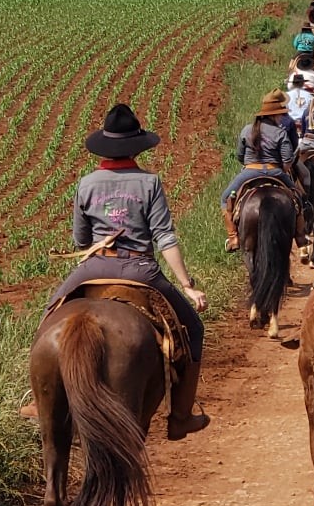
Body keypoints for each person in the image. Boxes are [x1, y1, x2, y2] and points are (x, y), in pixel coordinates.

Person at [46, 104, 211, 439]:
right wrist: (186, 284)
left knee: (50, 313)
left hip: (93, 267)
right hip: (139, 269)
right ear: (137, 147)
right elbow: (164, 236)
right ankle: (180, 416)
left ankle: (44, 398)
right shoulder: (149, 183)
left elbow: (80, 239)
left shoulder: (86, 183)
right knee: (192, 328)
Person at [221, 91, 298, 250]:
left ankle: (233, 237)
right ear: (275, 115)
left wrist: (249, 165)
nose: (281, 118)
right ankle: (301, 235)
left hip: (249, 172)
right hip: (275, 172)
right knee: (298, 197)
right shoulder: (280, 132)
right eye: (280, 115)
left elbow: (240, 156)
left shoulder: (247, 130)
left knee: (225, 198)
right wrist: (281, 169)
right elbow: (287, 160)